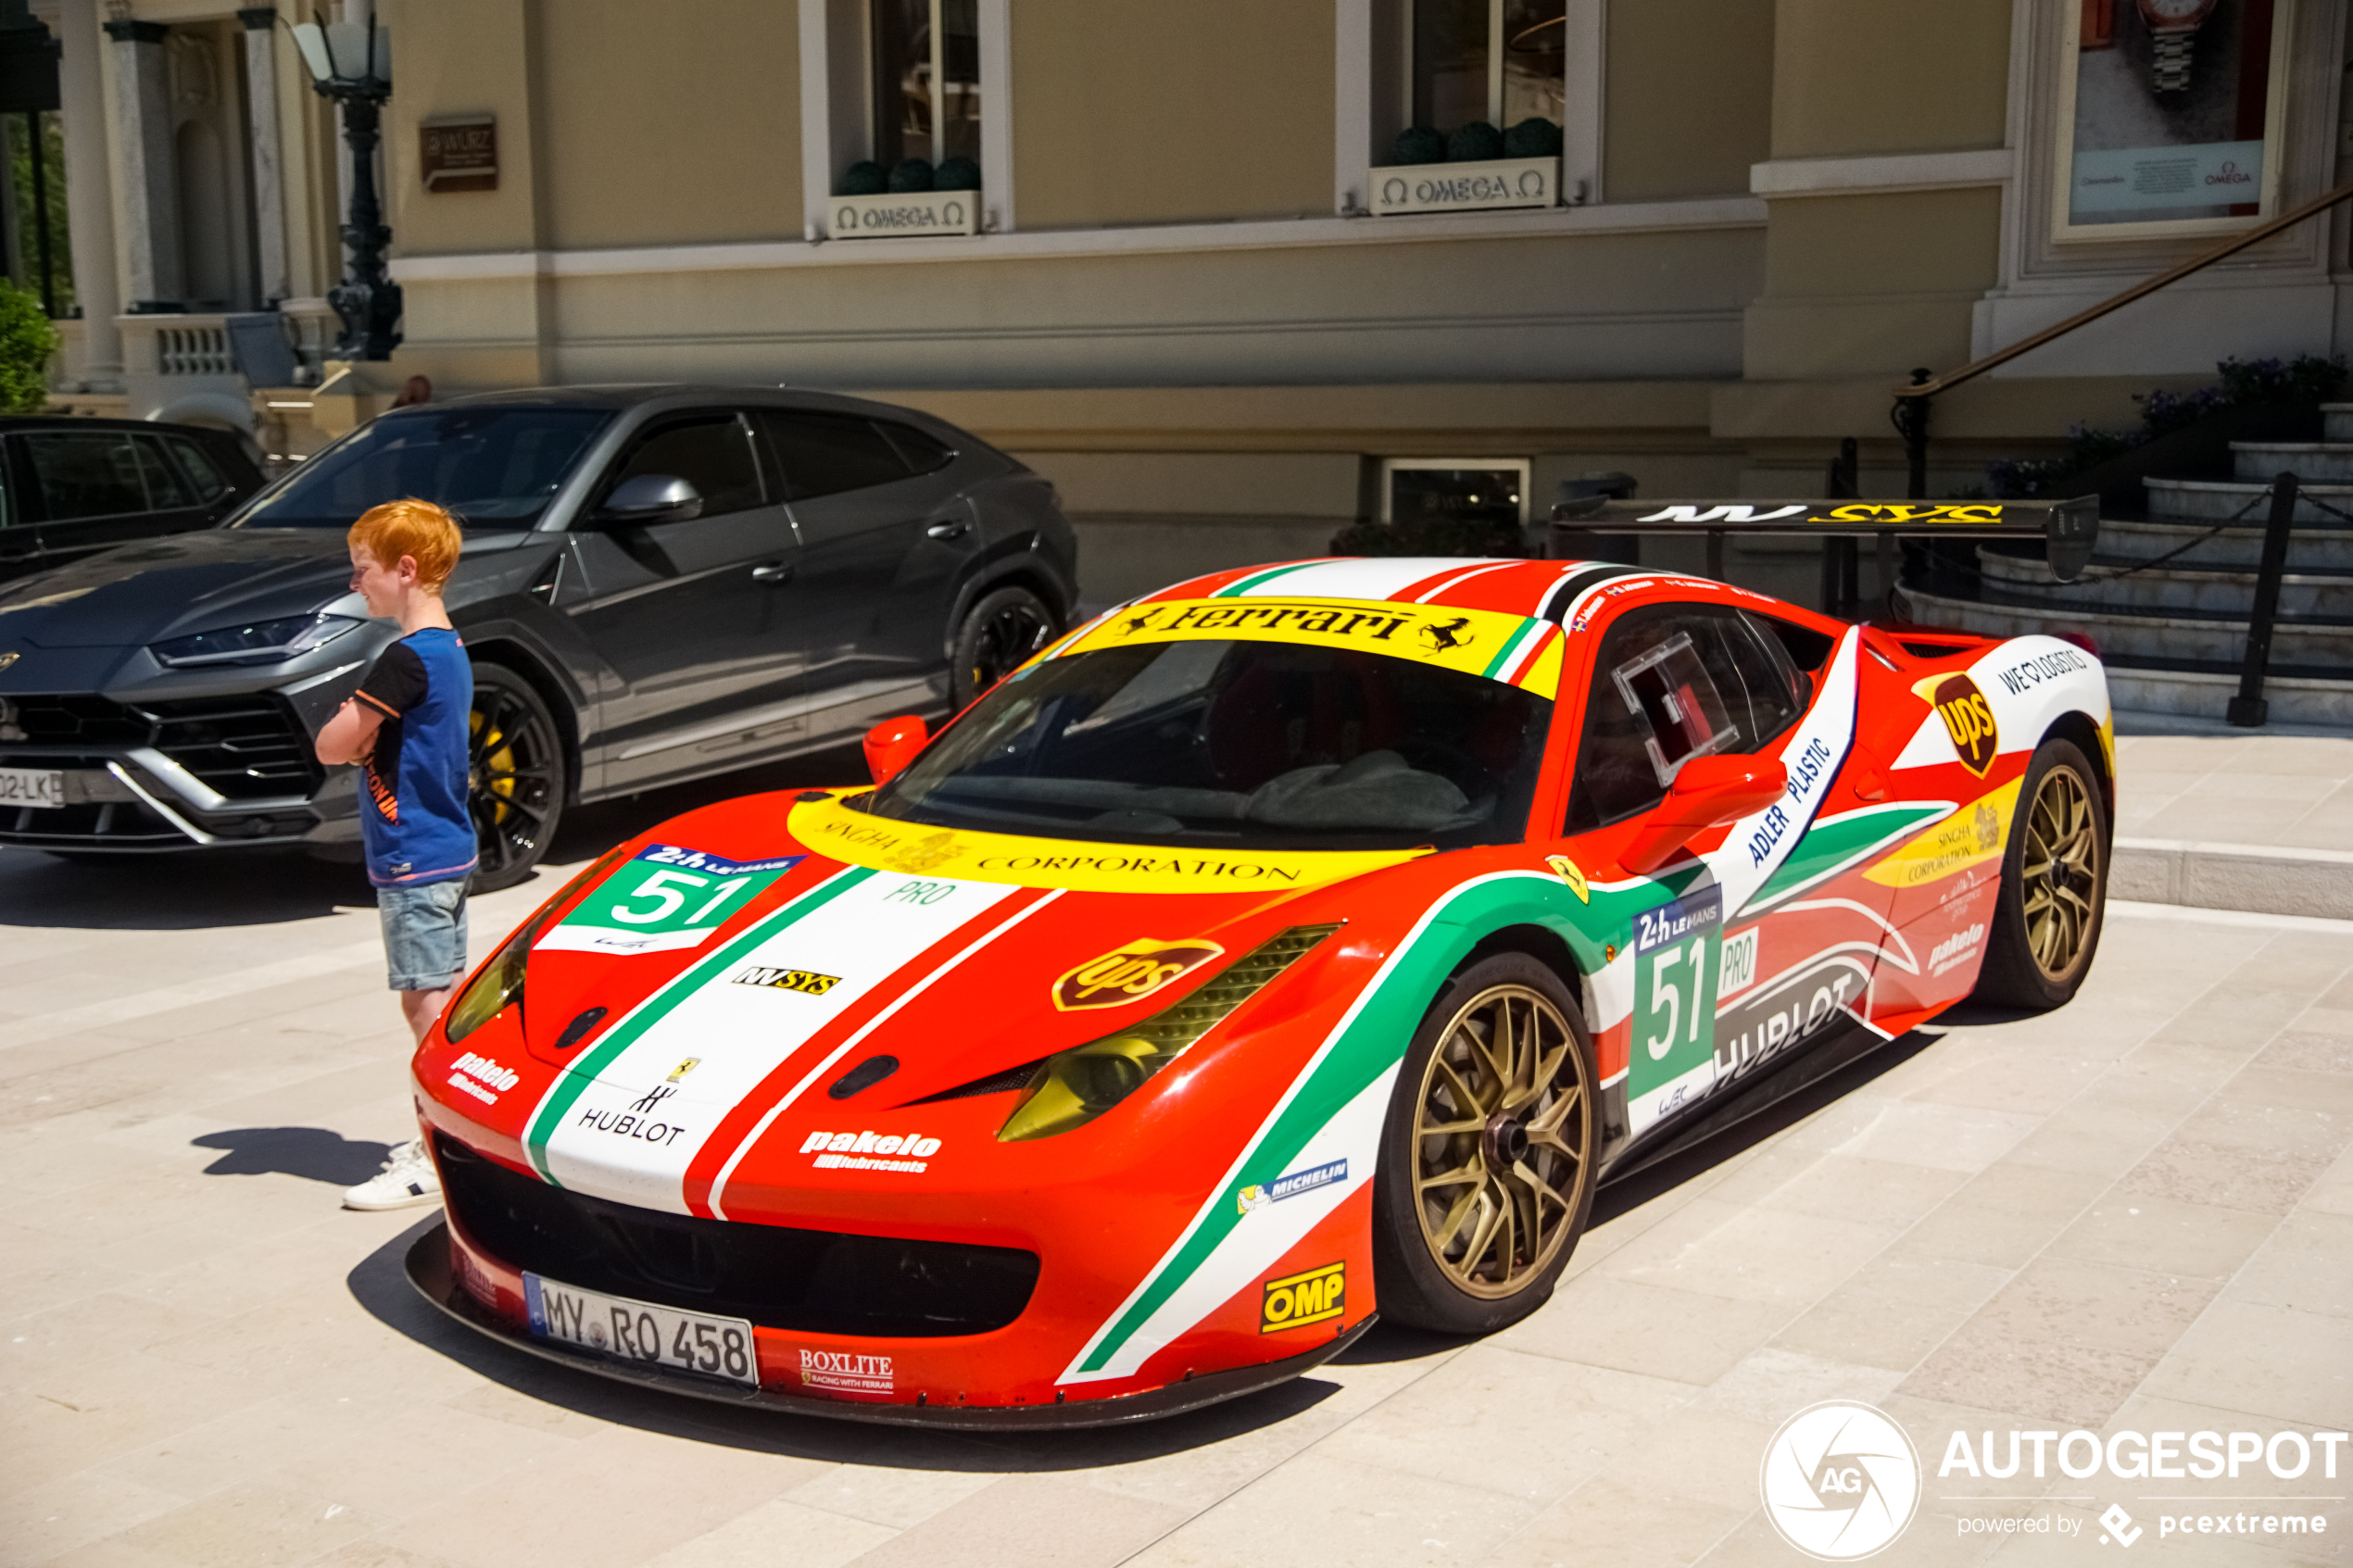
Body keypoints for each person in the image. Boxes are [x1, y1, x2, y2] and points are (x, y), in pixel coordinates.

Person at [311, 498, 476, 1210]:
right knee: (438, 995)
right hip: (443, 847)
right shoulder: (452, 647)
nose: (357, 584)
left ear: (405, 570)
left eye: (364, 569)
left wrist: (354, 736)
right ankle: (447, 1138)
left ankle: (435, 1151)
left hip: (414, 854)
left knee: (426, 1005)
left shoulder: (406, 658)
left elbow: (332, 742)